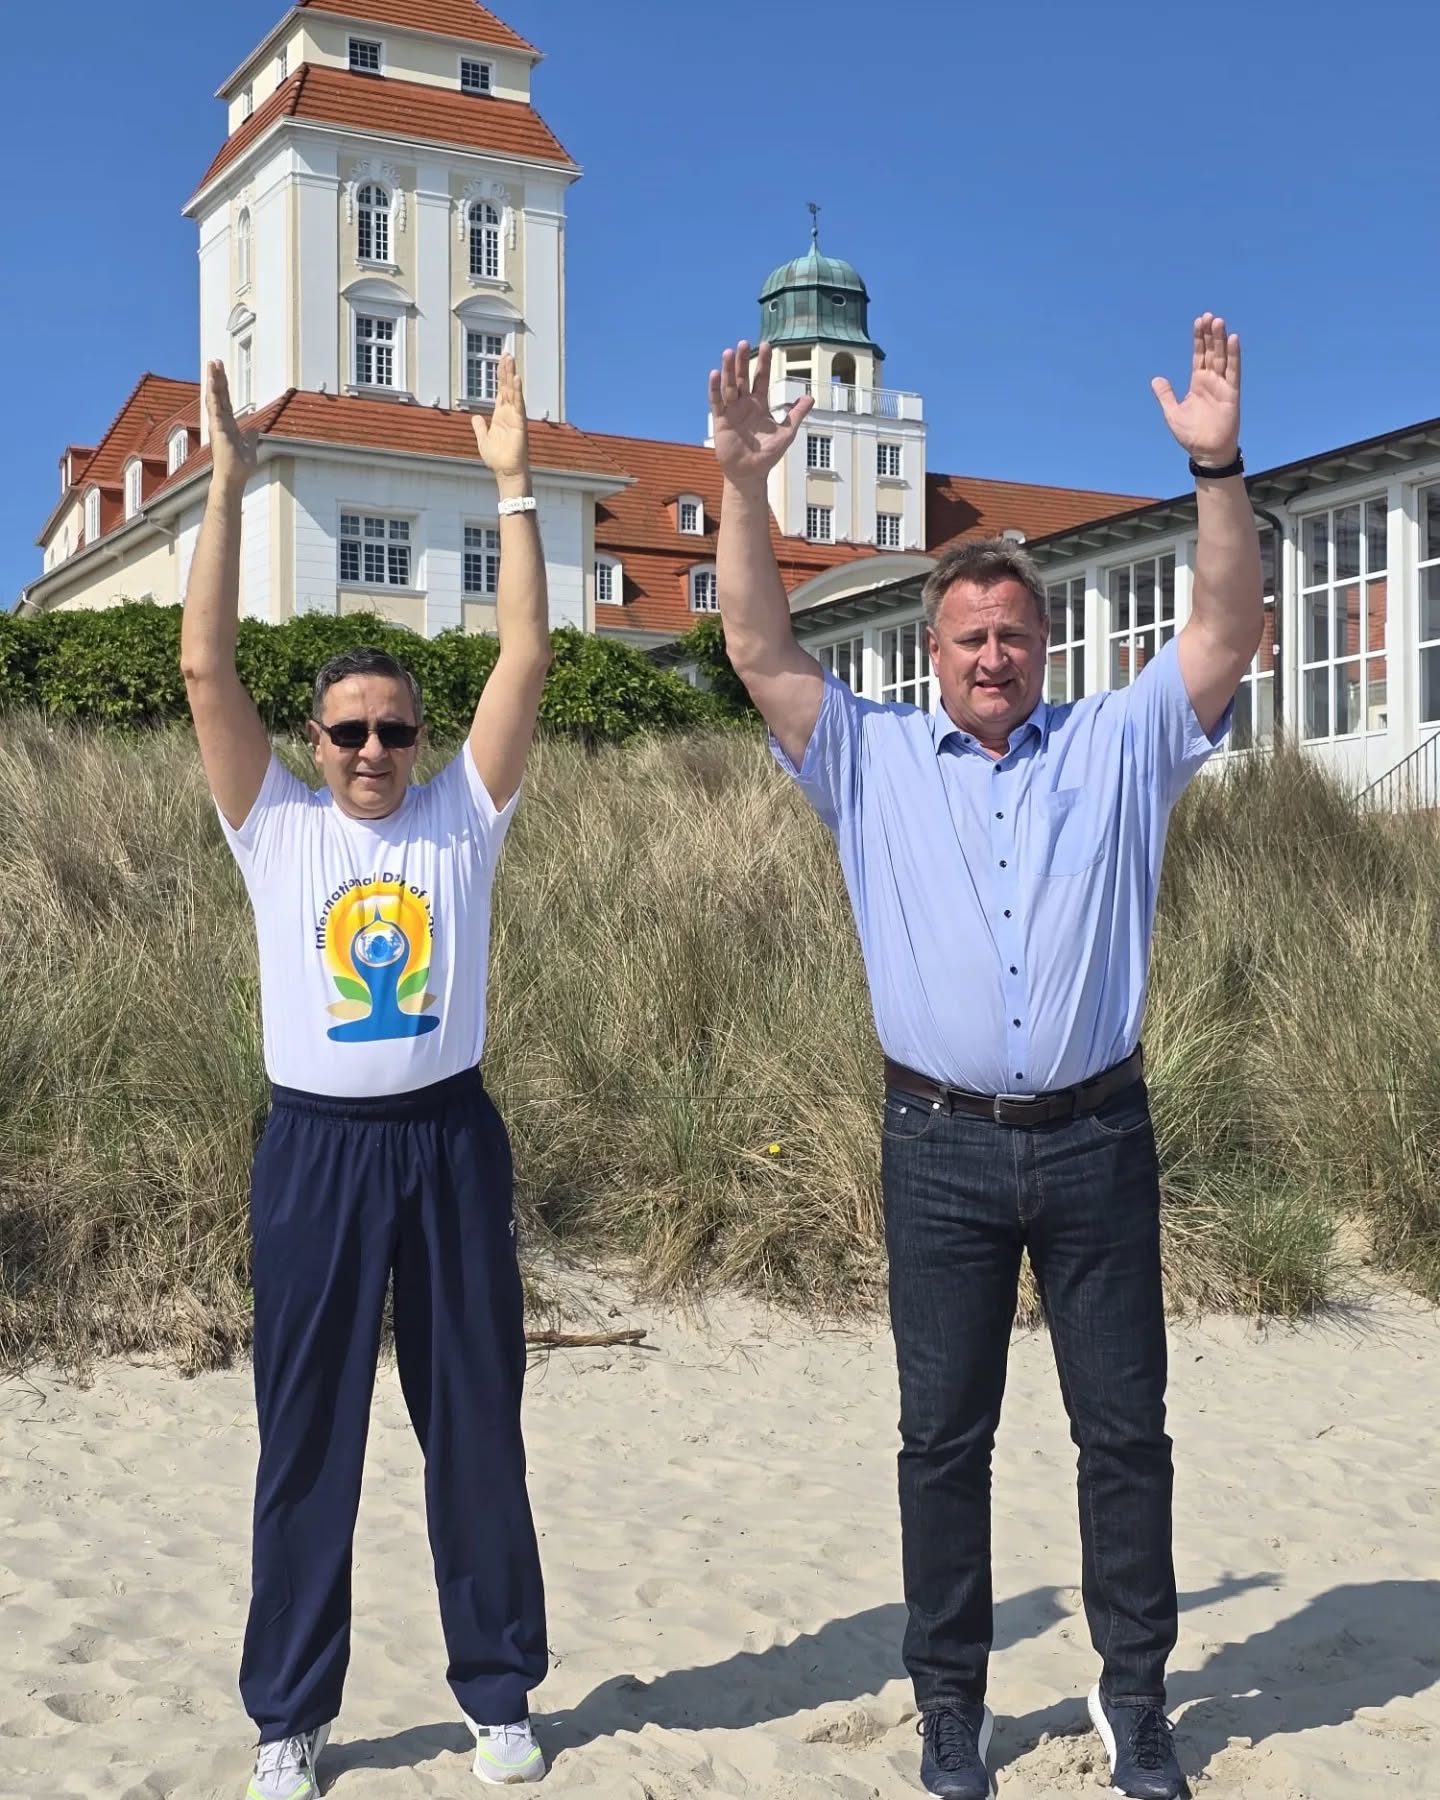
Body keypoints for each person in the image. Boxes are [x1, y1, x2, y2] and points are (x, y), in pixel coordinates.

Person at [707, 320, 1262, 1800]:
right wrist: (745, 490)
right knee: (942, 1442)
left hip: (1098, 1140)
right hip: (937, 1146)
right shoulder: (868, 757)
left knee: (1124, 1436)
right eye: (969, 639)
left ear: (1043, 643)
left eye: (1013, 634)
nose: (994, 657)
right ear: (934, 653)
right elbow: (757, 645)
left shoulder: (1121, 745)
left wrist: (1216, 470)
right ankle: (949, 1703)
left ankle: (1134, 1698)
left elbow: (1223, 633)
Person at [180, 356, 553, 1797]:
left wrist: (512, 487)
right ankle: (290, 1710)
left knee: (474, 1425)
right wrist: (227, 482)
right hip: (315, 1155)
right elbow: (206, 670)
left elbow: (522, 658)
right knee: (307, 1436)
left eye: (396, 728)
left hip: (448, 1144)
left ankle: (498, 1691)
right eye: (350, 731)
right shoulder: (276, 826)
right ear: (316, 743)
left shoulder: (462, 819)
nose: (375, 750)